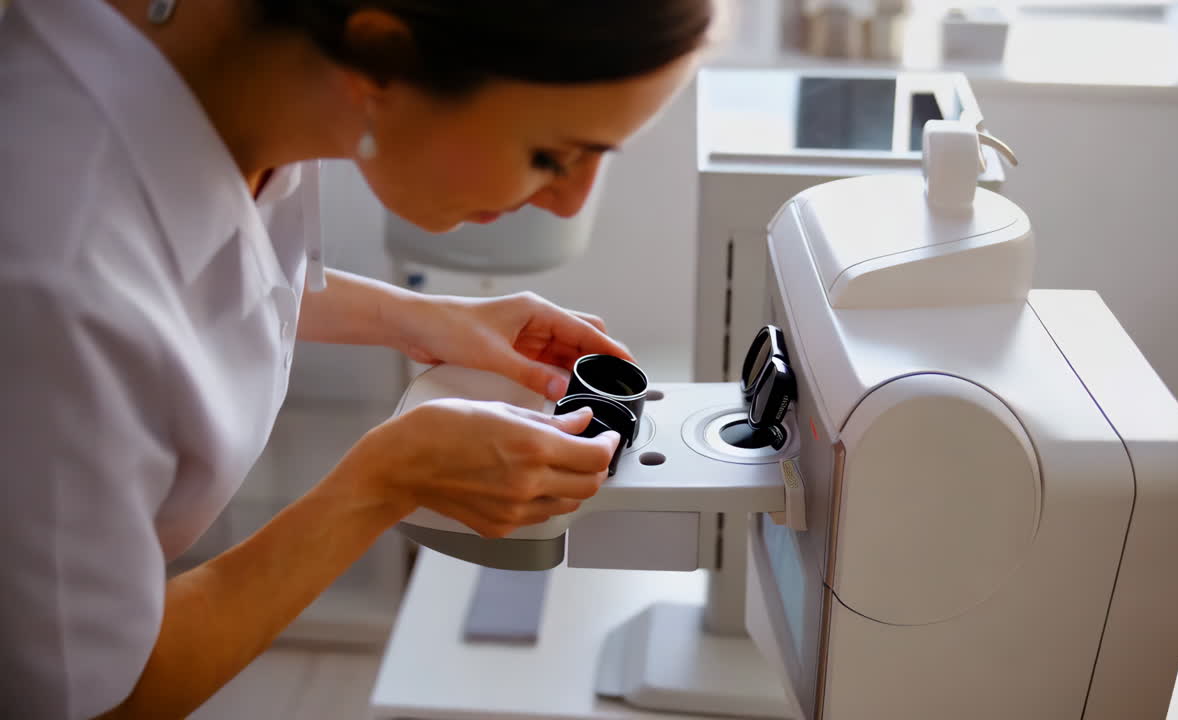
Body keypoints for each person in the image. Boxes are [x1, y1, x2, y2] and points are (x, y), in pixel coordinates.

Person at [0, 0, 714, 716]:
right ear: (384, 57)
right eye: (550, 157)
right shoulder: (53, 278)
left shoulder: (253, 79)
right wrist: (382, 483)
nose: (566, 204)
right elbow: (87, 698)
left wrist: (424, 319)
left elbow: (203, 273)